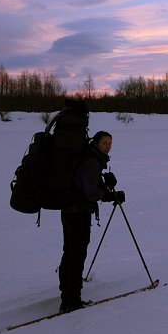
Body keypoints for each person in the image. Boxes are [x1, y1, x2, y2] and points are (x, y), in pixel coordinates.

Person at [58, 130, 125, 313]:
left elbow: (88, 185)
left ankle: (67, 293)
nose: (108, 147)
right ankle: (71, 300)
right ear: (95, 143)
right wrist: (108, 193)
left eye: (110, 143)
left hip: (70, 210)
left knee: (70, 252)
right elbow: (91, 193)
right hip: (78, 212)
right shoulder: (91, 161)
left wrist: (105, 187)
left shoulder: (89, 157)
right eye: (104, 143)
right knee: (76, 255)